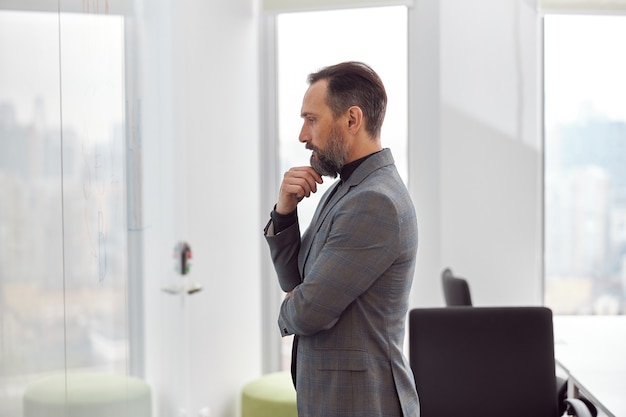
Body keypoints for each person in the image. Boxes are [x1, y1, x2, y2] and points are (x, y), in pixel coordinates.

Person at [263, 61, 420, 417]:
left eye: (312, 119)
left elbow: (307, 311)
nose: (303, 135)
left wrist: (292, 302)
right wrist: (285, 210)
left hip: (361, 402)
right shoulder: (346, 189)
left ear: (352, 120)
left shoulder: (373, 201)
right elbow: (295, 281)